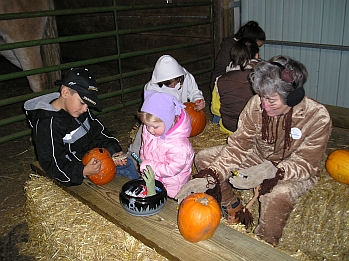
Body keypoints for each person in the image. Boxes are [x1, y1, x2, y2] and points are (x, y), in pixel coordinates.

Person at [175, 55, 332, 246]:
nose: (264, 106)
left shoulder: (317, 117)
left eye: (271, 100)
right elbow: (238, 147)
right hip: (258, 156)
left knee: (276, 195)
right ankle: (232, 206)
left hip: (294, 170)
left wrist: (273, 171)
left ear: (292, 96)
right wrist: (210, 177)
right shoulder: (256, 105)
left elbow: (307, 164)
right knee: (204, 158)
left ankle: (264, 244)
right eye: (262, 98)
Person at [24, 68, 139, 186]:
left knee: (128, 164)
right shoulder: (47, 125)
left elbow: (100, 132)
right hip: (77, 171)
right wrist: (83, 170)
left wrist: (113, 152)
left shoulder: (79, 110)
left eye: (88, 105)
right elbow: (53, 163)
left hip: (98, 160)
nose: (85, 109)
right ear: (65, 93)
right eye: (83, 102)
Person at [128, 54, 205, 165]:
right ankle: (132, 158)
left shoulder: (186, 76)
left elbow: (194, 91)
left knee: (176, 142)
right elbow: (151, 110)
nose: (174, 86)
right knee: (146, 131)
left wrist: (198, 99)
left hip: (180, 115)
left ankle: (174, 162)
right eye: (169, 84)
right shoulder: (152, 87)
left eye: (177, 82)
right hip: (160, 117)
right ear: (161, 81)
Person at [138, 90, 194, 198]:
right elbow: (144, 147)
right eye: (146, 125)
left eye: (154, 127)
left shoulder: (179, 145)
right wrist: (143, 160)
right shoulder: (150, 132)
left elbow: (172, 169)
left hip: (173, 186)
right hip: (154, 178)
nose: (149, 130)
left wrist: (148, 165)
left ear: (168, 122)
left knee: (170, 209)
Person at [211, 38, 261, 131]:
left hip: (229, 128)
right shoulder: (263, 78)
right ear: (256, 55)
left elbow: (215, 109)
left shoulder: (220, 80)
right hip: (255, 130)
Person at [210, 21, 265, 91]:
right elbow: (233, 72)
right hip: (223, 86)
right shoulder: (230, 50)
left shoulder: (241, 47)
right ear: (248, 43)